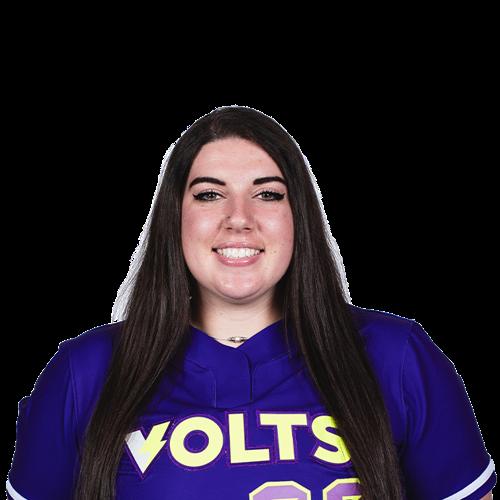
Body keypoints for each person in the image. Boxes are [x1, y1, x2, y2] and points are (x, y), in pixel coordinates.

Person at [6, 106, 495, 499]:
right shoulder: (85, 371)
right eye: (209, 195)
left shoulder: (396, 356)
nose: (239, 218)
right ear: (174, 219)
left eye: (267, 194)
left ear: (298, 216)